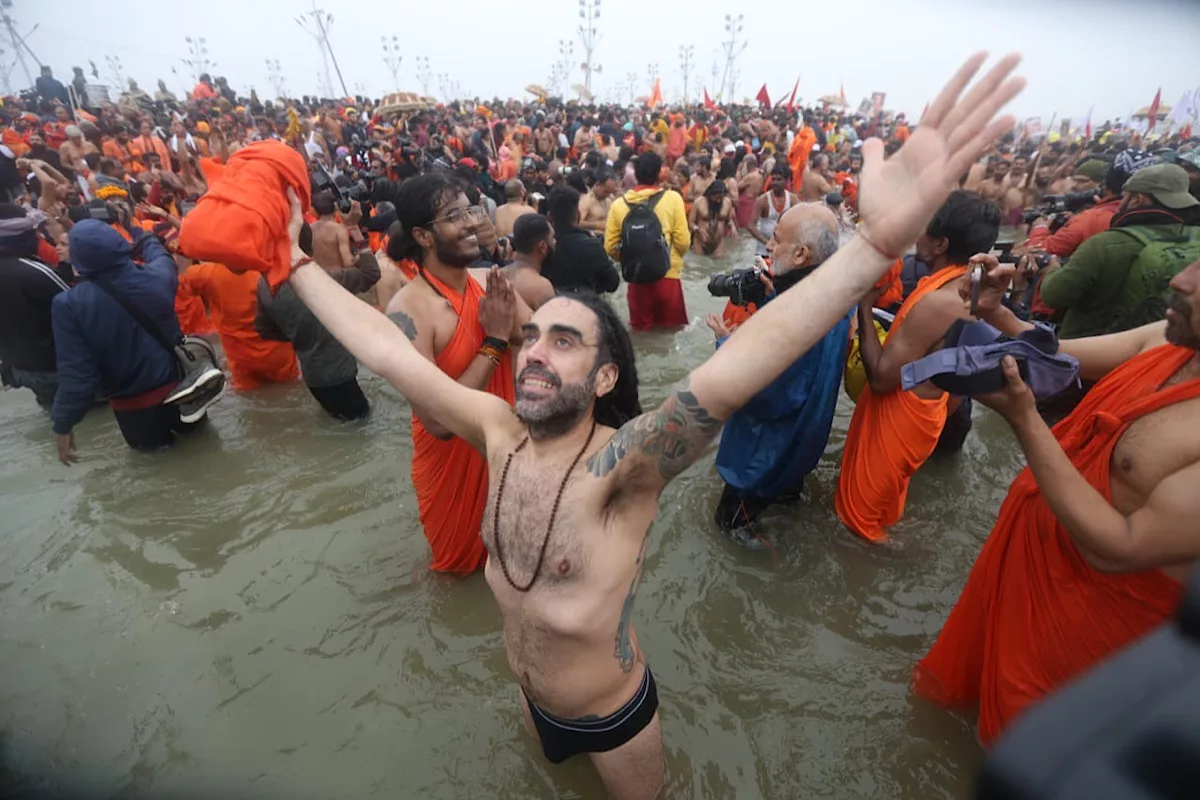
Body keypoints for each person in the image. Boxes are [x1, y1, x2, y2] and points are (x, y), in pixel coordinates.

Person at [286, 53, 1025, 799]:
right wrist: (288, 262)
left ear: (606, 378)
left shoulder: (625, 468)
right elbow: (384, 348)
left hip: (611, 717)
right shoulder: (495, 430)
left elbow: (737, 373)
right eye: (534, 335)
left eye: (566, 341)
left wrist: (871, 246)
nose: (537, 350)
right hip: (530, 695)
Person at [914, 249, 1200, 747]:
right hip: (1022, 571)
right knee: (953, 714)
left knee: (1027, 758)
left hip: (1086, 638)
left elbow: (1119, 547)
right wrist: (997, 311)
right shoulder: (1165, 341)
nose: (1182, 278)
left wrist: (1023, 419)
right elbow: (1055, 354)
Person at [382, 173, 529, 574]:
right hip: (449, 465)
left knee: (512, 559)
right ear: (424, 236)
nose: (470, 223)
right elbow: (438, 421)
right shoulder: (406, 311)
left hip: (505, 449)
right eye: (453, 215)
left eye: (470, 210)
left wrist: (514, 330)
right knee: (457, 572)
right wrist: (496, 341)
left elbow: (538, 346)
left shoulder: (490, 283)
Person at [836, 190, 1003, 541]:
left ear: (940, 244)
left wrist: (863, 306)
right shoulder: (968, 285)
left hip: (901, 418)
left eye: (924, 227)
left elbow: (881, 378)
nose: (917, 234)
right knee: (883, 508)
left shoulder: (937, 301)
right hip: (925, 413)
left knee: (859, 525)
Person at [705, 204, 849, 545]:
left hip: (765, 454)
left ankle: (769, 557)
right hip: (804, 439)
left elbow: (753, 389)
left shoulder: (790, 319)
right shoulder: (839, 292)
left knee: (730, 526)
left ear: (801, 254)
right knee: (785, 496)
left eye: (776, 239)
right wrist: (776, 296)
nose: (768, 246)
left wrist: (724, 343)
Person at [51, 220, 214, 460]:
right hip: (186, 392)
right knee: (206, 453)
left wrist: (63, 425)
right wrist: (139, 232)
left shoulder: (69, 305)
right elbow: (161, 255)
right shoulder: (158, 277)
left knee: (158, 472)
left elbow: (78, 377)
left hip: (135, 410)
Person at [1039, 164, 1200, 339]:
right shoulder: (1195, 237)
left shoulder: (1104, 244)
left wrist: (1051, 268)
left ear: (1137, 199)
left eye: (1124, 197)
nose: (1121, 202)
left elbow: (1054, 295)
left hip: (1093, 353)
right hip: (1164, 348)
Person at [255, 235, 381, 422]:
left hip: (312, 375)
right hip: (339, 372)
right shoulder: (326, 280)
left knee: (338, 423)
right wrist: (359, 237)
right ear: (308, 251)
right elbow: (371, 273)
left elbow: (263, 328)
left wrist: (297, 333)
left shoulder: (265, 284)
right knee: (363, 425)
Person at [176, 261, 300, 391]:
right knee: (290, 388)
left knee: (247, 396)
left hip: (241, 362)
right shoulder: (271, 269)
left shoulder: (205, 274)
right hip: (278, 356)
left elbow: (174, 285)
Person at [604, 152, 691, 330]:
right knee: (670, 335)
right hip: (669, 277)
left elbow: (610, 247)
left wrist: (632, 257)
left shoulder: (618, 205)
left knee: (641, 334)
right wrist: (672, 259)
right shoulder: (673, 198)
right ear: (659, 173)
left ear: (635, 175)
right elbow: (683, 242)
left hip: (636, 280)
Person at [0, 205, 70, 407]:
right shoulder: (33, 271)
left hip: (20, 367)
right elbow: (77, 308)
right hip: (56, 366)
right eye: (33, 232)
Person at [1022, 160, 1122, 257]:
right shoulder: (1120, 208)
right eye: (1074, 180)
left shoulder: (1091, 217)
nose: (1074, 186)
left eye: (1082, 181)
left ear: (1102, 185)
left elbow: (1038, 251)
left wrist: (1040, 228)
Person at [542, 186, 620, 295]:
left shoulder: (541, 248)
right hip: (587, 304)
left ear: (549, 216)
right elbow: (612, 283)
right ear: (578, 215)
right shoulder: (592, 245)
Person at [503, 214, 557, 310]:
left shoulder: (498, 275)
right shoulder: (541, 287)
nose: (555, 242)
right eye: (552, 237)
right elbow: (550, 323)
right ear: (543, 247)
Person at [749, 163, 798, 256]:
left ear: (786, 180)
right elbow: (751, 226)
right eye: (773, 179)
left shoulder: (793, 199)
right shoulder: (762, 200)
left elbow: (799, 222)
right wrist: (767, 243)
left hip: (784, 250)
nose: (775, 182)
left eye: (779, 179)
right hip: (763, 251)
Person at [309, 191, 355, 268]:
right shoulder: (339, 229)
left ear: (314, 211)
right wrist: (361, 257)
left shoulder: (309, 229)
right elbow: (348, 262)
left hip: (320, 274)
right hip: (340, 275)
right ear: (336, 208)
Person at [688, 179, 733, 256]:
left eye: (721, 198)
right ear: (710, 194)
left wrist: (732, 228)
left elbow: (729, 220)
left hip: (718, 243)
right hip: (700, 242)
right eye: (716, 198)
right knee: (698, 265)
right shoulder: (698, 202)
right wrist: (698, 230)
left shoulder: (727, 203)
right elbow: (690, 223)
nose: (718, 201)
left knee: (718, 266)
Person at [579, 167, 617, 234]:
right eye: (606, 191)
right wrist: (597, 225)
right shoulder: (586, 201)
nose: (608, 195)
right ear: (597, 185)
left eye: (610, 192)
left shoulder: (608, 200)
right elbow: (577, 223)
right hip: (593, 238)